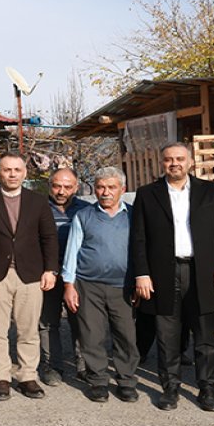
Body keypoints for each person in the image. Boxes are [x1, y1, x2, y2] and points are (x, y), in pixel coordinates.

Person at [130, 142, 214, 412]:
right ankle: (170, 387)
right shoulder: (147, 194)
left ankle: (207, 389)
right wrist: (142, 273)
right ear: (161, 163)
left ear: (190, 162)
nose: (174, 163)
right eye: (168, 159)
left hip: (203, 272)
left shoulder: (210, 191)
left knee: (205, 336)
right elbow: (138, 238)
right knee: (167, 334)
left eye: (179, 158)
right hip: (163, 273)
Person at [0, 153, 58, 401]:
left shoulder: (38, 201)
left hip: (30, 274)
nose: (12, 174)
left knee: (28, 330)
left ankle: (27, 376)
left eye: (17, 170)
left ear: (25, 172)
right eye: (7, 169)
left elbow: (49, 237)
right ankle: (0, 377)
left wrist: (50, 270)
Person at [62, 167, 138, 403]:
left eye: (111, 187)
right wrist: (69, 285)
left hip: (123, 286)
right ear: (94, 189)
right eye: (101, 187)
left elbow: (142, 251)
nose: (105, 192)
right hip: (89, 285)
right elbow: (72, 251)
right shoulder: (84, 216)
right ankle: (98, 381)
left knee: (125, 335)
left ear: (122, 190)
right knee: (92, 335)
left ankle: (126, 381)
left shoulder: (134, 216)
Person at [39, 167, 87, 385]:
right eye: (57, 185)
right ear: (50, 185)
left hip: (78, 275)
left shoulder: (86, 210)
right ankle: (52, 365)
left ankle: (85, 365)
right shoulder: (38, 208)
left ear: (76, 187)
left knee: (82, 321)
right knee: (48, 322)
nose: (61, 191)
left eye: (67, 186)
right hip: (47, 273)